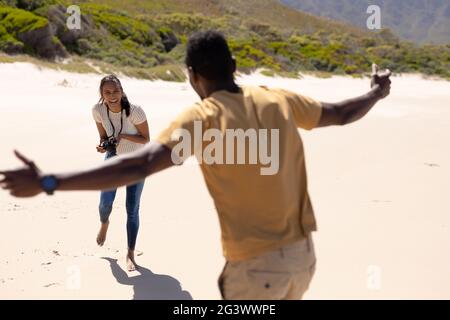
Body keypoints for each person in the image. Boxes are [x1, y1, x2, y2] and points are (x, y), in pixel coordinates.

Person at [0, 30, 391, 299]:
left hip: (255, 268)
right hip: (304, 258)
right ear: (234, 64)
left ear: (191, 75)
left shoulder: (201, 120)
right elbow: (341, 113)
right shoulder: (279, 99)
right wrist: (376, 91)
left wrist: (49, 182)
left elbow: (138, 166)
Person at [93, 75, 150, 271]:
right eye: (107, 92)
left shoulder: (135, 111)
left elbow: (146, 139)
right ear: (102, 94)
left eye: (115, 91)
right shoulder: (98, 110)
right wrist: (102, 146)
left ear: (122, 91)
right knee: (104, 203)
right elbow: (103, 137)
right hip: (113, 159)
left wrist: (123, 136)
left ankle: (130, 253)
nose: (112, 96)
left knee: (132, 209)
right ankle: (104, 222)